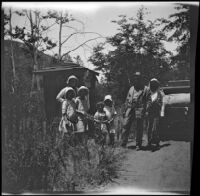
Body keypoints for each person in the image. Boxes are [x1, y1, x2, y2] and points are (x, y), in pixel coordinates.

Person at [121, 71, 149, 150]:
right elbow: (127, 100)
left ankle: (138, 144)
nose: (137, 79)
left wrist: (146, 110)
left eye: (138, 78)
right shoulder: (131, 88)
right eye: (135, 78)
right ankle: (123, 143)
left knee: (139, 127)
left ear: (141, 79)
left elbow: (148, 101)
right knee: (125, 125)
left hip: (139, 109)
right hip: (130, 108)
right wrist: (124, 110)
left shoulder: (146, 89)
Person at [146, 78, 164, 149]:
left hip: (156, 112)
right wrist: (148, 108)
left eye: (154, 84)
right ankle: (149, 142)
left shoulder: (160, 93)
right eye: (152, 83)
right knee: (149, 128)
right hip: (150, 112)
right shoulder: (148, 93)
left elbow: (161, 103)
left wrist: (156, 103)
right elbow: (146, 102)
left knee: (155, 128)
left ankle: (156, 142)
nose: (153, 85)